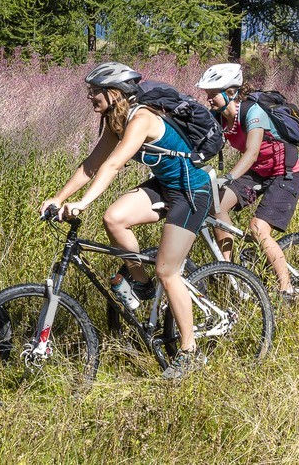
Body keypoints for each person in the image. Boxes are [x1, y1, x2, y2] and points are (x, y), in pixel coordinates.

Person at [41, 62, 212, 377]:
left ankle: (190, 352)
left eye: (95, 91)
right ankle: (143, 286)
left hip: (192, 191)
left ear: (114, 92)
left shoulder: (142, 118)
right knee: (114, 218)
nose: (90, 97)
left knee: (167, 270)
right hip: (164, 187)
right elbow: (93, 164)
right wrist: (60, 197)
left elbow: (114, 165)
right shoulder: (115, 120)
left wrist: (82, 203)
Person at [199, 62, 299, 296]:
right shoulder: (217, 118)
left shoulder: (252, 112)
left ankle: (286, 287)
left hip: (285, 173)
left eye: (212, 95)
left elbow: (252, 152)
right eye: (207, 95)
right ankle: (230, 271)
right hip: (257, 173)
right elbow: (200, 145)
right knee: (214, 205)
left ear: (231, 92)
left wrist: (226, 177)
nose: (208, 100)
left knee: (258, 229)